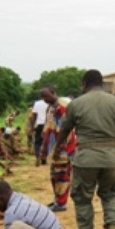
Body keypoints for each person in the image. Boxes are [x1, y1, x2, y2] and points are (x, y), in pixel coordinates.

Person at [52, 69, 115, 229]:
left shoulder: (77, 104)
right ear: (101, 83)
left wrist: (57, 148)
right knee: (110, 194)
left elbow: (64, 130)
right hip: (111, 158)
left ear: (84, 84)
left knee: (82, 198)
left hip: (86, 158)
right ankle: (112, 226)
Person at [40, 84, 76, 212]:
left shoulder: (63, 108)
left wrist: (59, 148)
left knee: (62, 175)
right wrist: (44, 147)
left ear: (53, 92)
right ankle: (57, 199)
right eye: (42, 96)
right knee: (54, 175)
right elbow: (48, 128)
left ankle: (61, 203)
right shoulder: (51, 108)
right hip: (53, 148)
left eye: (46, 95)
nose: (44, 98)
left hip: (63, 149)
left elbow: (65, 130)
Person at [31, 99, 49, 166]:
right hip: (47, 125)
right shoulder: (50, 103)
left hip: (39, 125)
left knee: (37, 142)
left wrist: (33, 126)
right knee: (46, 142)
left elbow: (34, 115)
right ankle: (44, 158)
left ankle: (37, 155)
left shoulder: (37, 103)